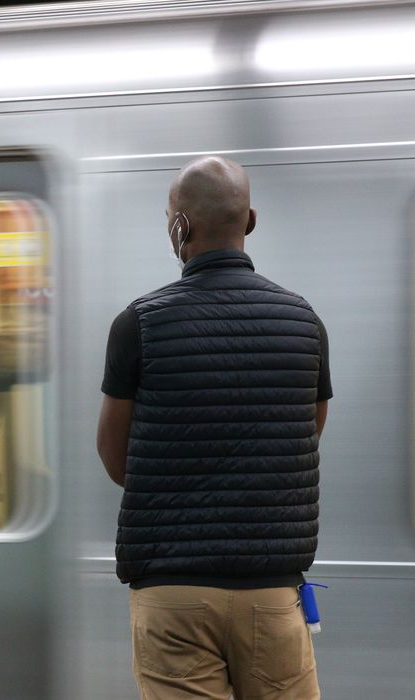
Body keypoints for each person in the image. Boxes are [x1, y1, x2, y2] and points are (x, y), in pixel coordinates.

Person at [96, 156, 332, 699]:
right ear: (249, 220)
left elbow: (115, 458)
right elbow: (307, 432)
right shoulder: (304, 323)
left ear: (179, 226)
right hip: (273, 593)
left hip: (171, 594)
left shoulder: (138, 323)